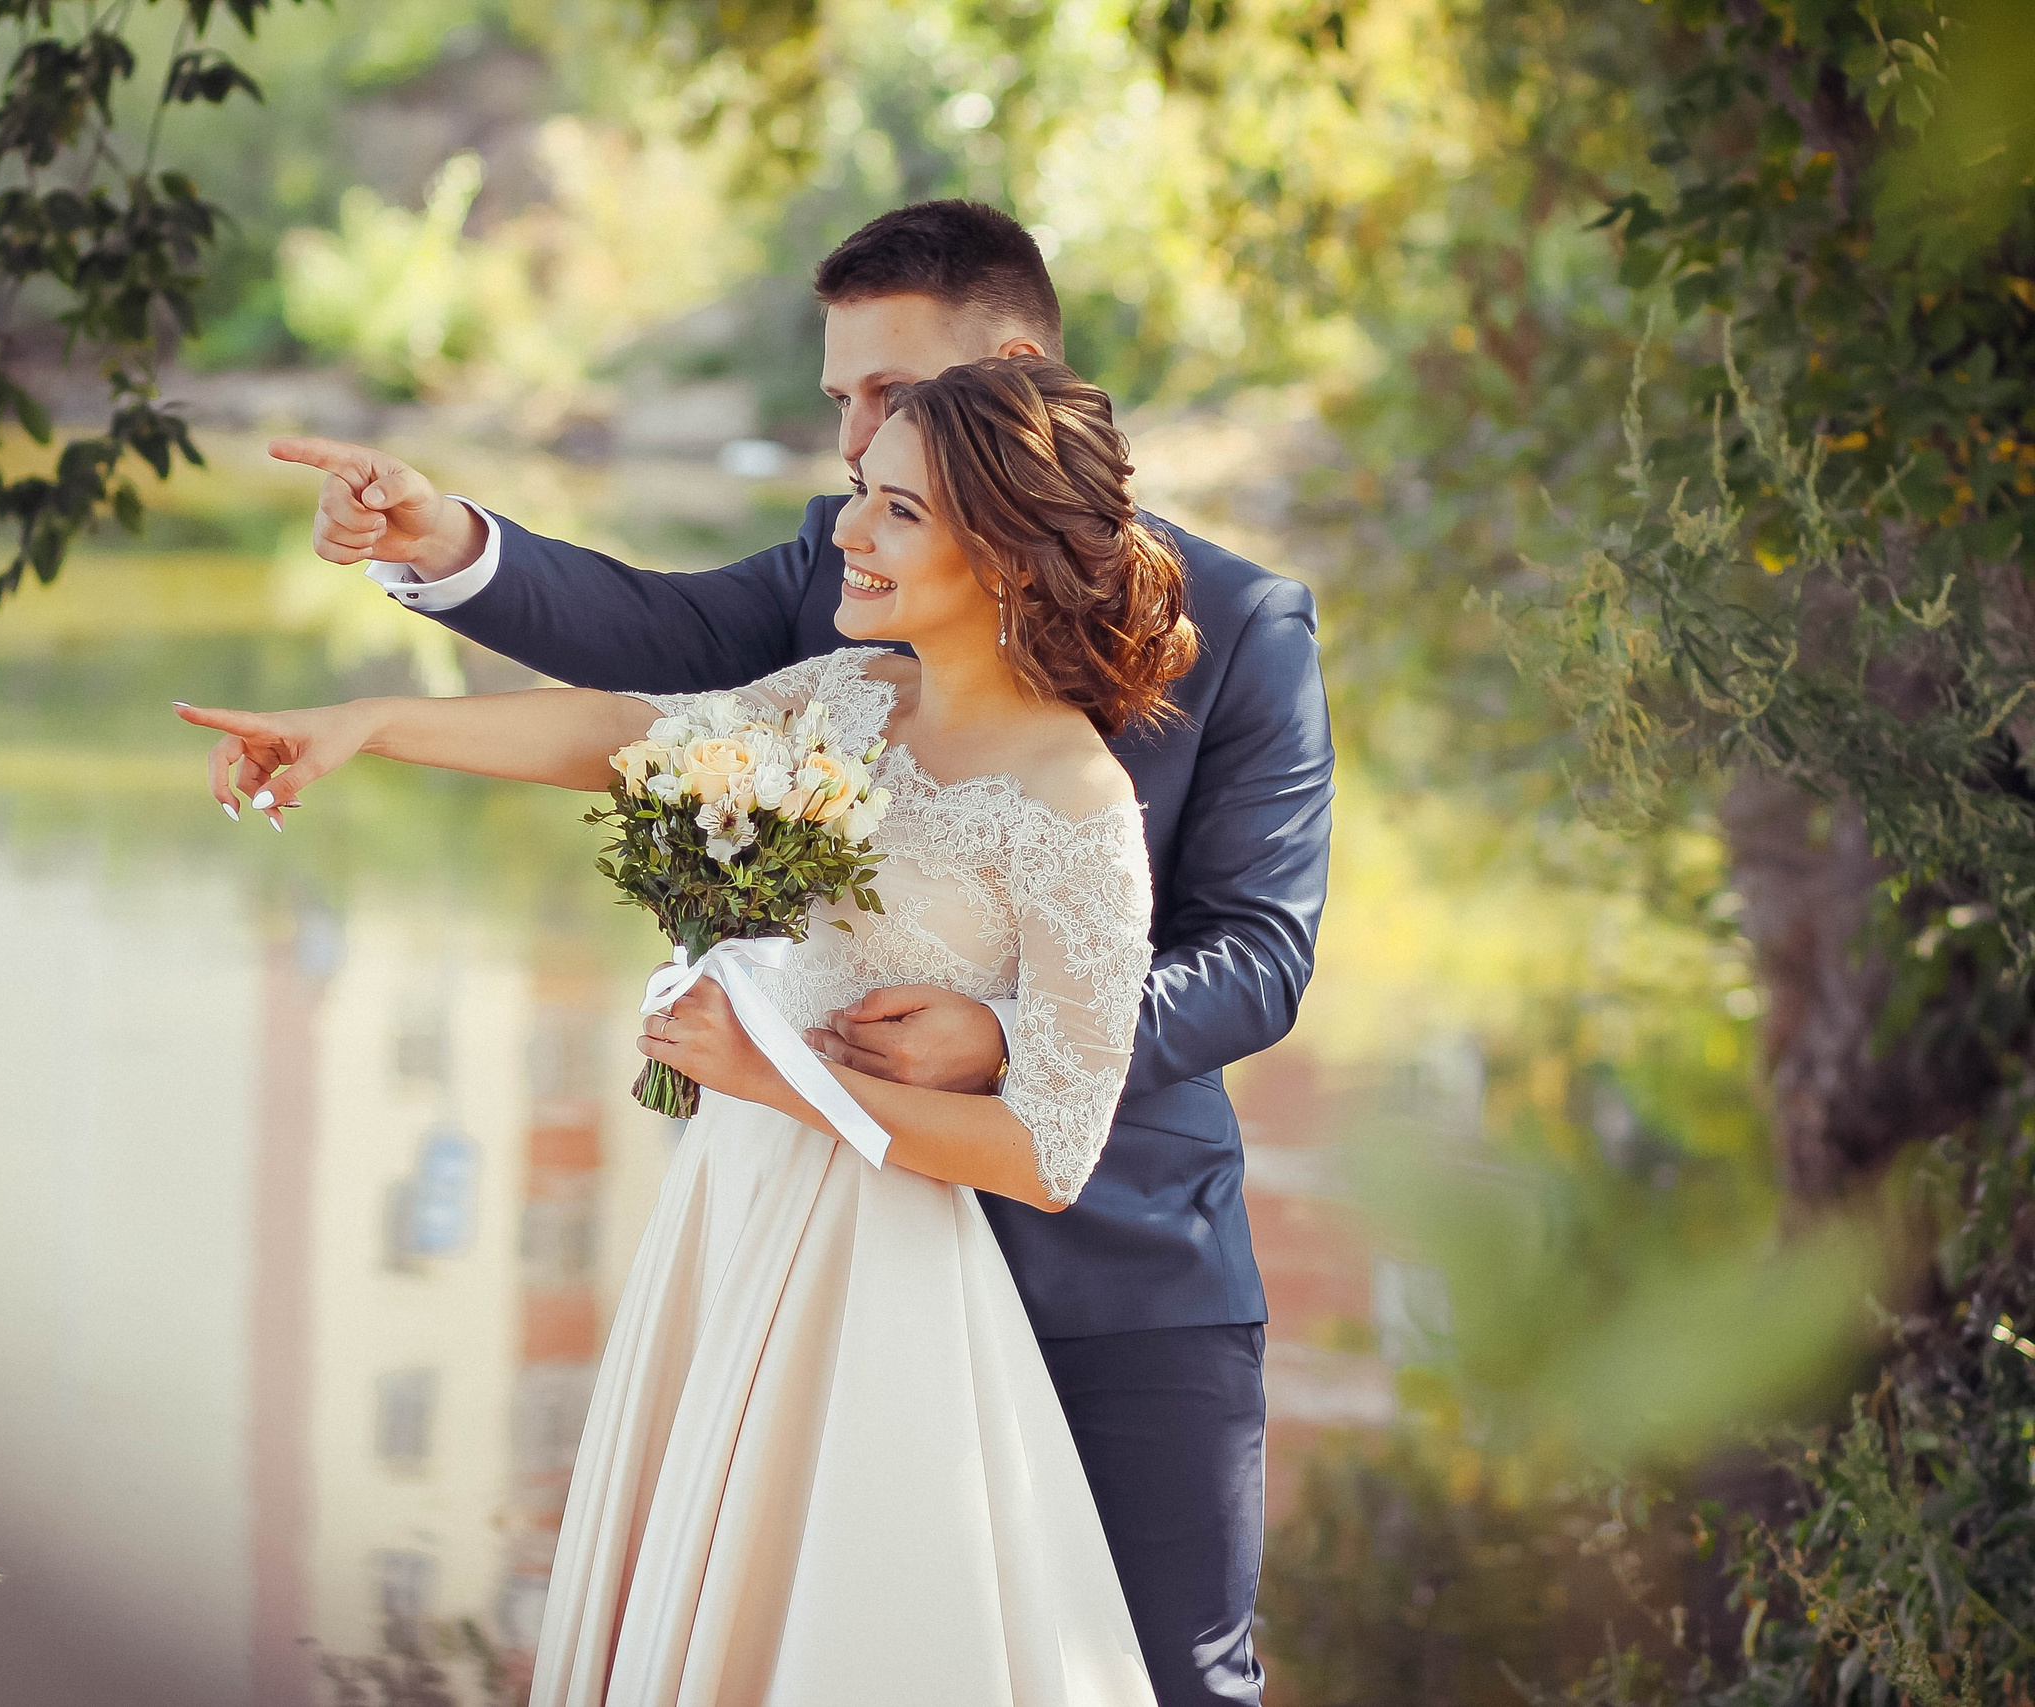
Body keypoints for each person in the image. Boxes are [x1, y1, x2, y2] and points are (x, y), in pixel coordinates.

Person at [264, 202, 1333, 1705]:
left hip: (1114, 1271)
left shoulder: (1246, 629)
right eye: (841, 410)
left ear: (1012, 374)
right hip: (835, 1263)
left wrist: (1007, 1035)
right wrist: (439, 559)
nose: (850, 464)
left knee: (1159, 1678)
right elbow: (646, 662)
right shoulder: (855, 617)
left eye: (884, 401)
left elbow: (1263, 955)